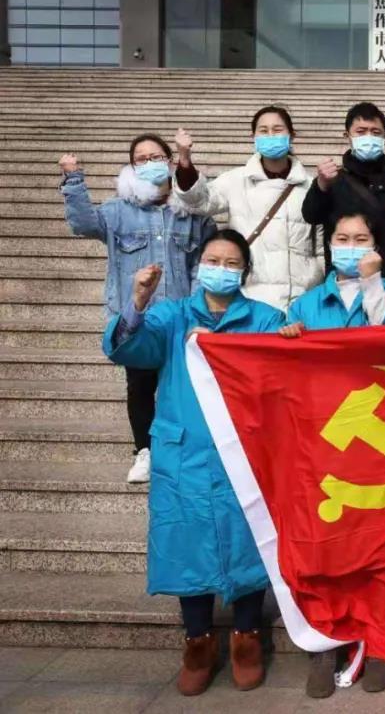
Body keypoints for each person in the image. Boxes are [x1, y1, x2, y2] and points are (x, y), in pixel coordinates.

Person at [102, 229, 286, 697]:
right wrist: (138, 301)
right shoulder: (171, 315)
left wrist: (282, 342)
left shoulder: (265, 319)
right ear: (198, 266)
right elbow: (129, 349)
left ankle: (247, 636)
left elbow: (277, 377)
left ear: (245, 271)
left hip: (243, 453)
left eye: (231, 263)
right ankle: (198, 642)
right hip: (183, 454)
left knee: (248, 541)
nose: (221, 269)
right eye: (213, 260)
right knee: (186, 543)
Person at [278, 208, 385, 699]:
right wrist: (287, 340)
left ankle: (381, 642)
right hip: (323, 440)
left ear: (377, 245)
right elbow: (282, 373)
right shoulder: (307, 304)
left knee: (383, 543)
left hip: (383, 436)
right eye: (343, 238)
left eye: (361, 238)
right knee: (327, 544)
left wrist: (374, 285)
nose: (351, 246)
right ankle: (326, 641)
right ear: (329, 245)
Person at [59, 133, 216, 484]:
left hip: (180, 316)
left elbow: (203, 263)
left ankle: (183, 452)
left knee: (184, 386)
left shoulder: (192, 212)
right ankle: (143, 450)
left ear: (170, 162)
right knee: (140, 385)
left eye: (156, 157)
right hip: (137, 317)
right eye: (141, 159)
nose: (149, 163)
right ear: (131, 167)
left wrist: (197, 308)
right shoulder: (118, 210)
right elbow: (83, 224)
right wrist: (73, 178)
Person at [171, 106, 323, 310]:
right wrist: (184, 159)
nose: (271, 135)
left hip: (301, 298)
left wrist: (315, 278)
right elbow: (199, 201)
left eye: (277, 130)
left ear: (291, 135)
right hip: (250, 297)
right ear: (254, 137)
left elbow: (320, 247)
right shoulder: (235, 180)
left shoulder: (310, 186)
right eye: (263, 130)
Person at [301, 101, 385, 281]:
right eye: (361, 131)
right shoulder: (334, 180)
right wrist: (321, 185)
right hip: (344, 277)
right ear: (347, 136)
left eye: (375, 132)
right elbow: (311, 215)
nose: (369, 137)